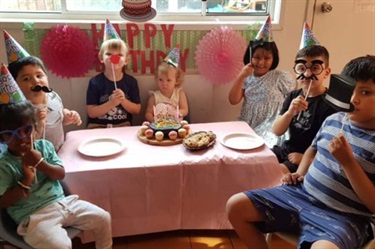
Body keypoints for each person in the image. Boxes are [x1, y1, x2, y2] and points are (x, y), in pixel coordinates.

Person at [226, 55, 375, 249]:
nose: (355, 99)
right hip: (302, 195)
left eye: (366, 92)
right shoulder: (335, 119)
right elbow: (312, 150)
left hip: (345, 217)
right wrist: (299, 173)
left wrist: (348, 163)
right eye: (352, 90)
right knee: (235, 206)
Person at [0, 65, 113, 249]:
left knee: (103, 218)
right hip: (33, 217)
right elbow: (2, 202)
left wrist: (39, 162)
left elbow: (60, 174)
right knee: (62, 245)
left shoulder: (44, 146)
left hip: (63, 203)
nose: (21, 138)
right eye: (11, 134)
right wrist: (25, 181)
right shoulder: (3, 165)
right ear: (2, 137)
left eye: (26, 130)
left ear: (34, 126)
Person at [271, 24, 337, 173]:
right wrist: (290, 112)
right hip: (285, 150)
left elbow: (331, 145)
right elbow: (277, 131)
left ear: (326, 72)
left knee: (271, 173)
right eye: (302, 68)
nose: (307, 74)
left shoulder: (330, 105)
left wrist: (307, 159)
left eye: (314, 68)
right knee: (255, 163)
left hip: (304, 160)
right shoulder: (294, 95)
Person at [228, 16, 295, 148]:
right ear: (250, 56)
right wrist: (241, 77)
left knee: (264, 144)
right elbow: (233, 100)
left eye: (267, 58)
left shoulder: (279, 77)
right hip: (248, 122)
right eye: (257, 57)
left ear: (273, 58)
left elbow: (292, 97)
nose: (261, 62)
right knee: (235, 142)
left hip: (271, 123)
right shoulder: (246, 76)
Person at [7, 56, 82, 152]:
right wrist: (39, 123)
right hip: (39, 159)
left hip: (59, 151)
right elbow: (26, 144)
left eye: (39, 76)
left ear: (47, 77)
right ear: (15, 85)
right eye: (26, 79)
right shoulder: (20, 112)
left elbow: (59, 118)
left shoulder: (53, 97)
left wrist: (68, 115)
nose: (36, 81)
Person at [86, 20, 141, 128]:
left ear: (126, 60)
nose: (114, 58)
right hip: (97, 126)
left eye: (119, 55)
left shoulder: (131, 82)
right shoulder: (95, 82)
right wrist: (111, 103)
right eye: (109, 54)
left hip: (122, 125)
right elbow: (91, 112)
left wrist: (123, 100)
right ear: (101, 58)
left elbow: (137, 110)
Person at [144, 46, 189, 122]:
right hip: (160, 126)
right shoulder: (154, 97)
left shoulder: (179, 93)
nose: (164, 83)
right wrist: (155, 121)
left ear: (176, 80)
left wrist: (176, 113)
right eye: (161, 80)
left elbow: (185, 110)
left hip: (176, 125)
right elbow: (148, 113)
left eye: (168, 80)